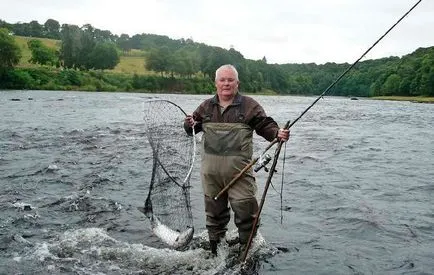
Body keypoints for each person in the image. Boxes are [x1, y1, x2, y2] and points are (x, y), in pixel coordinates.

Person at [184, 64, 289, 257]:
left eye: (230, 80)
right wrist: (188, 123)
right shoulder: (206, 106)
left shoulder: (250, 106)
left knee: (246, 212)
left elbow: (266, 126)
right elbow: (191, 128)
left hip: (239, 174)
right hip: (211, 175)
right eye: (222, 80)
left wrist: (278, 133)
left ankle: (246, 252)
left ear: (237, 83)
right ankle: (217, 251)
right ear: (216, 83)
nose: (226, 83)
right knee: (214, 216)